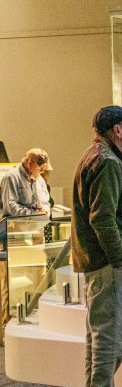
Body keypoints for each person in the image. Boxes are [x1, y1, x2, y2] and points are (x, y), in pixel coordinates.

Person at [72, 106, 122, 387]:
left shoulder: (94, 155)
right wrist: (119, 257)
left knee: (100, 335)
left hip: (95, 262)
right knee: (111, 339)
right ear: (117, 129)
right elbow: (102, 217)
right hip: (106, 263)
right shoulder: (108, 163)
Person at [1, 148, 53, 346]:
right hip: (13, 235)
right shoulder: (11, 178)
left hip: (35, 234)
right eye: (39, 167)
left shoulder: (39, 179)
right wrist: (34, 212)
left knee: (37, 276)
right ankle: (6, 327)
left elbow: (46, 202)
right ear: (30, 163)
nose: (41, 172)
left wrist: (42, 212)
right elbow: (10, 207)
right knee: (8, 282)